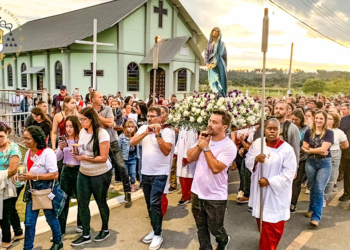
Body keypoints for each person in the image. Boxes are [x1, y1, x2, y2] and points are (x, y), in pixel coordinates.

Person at [187, 110, 236, 250]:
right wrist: (200, 144)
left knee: (215, 228)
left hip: (215, 195)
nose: (210, 124)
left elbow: (216, 168)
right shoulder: (203, 141)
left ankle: (223, 240)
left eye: (215, 122)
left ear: (224, 127)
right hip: (197, 191)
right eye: (210, 121)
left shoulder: (229, 146)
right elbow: (190, 158)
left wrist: (206, 148)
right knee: (201, 227)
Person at [246, 118, 297, 250]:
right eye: (269, 128)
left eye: (275, 129)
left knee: (272, 226)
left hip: (275, 195)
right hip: (259, 192)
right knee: (262, 222)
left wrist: (269, 181)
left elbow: (289, 173)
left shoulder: (287, 149)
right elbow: (248, 159)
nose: (272, 132)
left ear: (279, 130)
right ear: (265, 129)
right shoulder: (258, 143)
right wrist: (255, 160)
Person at [130, 107, 175, 250]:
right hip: (146, 172)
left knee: (155, 203)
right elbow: (132, 142)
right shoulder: (143, 128)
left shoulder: (168, 131)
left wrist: (157, 134)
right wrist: (145, 133)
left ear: (160, 117)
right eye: (148, 116)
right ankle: (154, 229)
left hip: (160, 172)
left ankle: (158, 234)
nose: (149, 118)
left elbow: (167, 151)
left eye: (152, 116)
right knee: (149, 204)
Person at [71, 108, 113, 246]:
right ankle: (86, 234)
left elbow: (103, 158)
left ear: (92, 119)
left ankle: (105, 229)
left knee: (101, 201)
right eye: (80, 119)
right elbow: (83, 149)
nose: (81, 122)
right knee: (82, 203)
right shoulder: (83, 132)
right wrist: (77, 152)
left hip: (100, 173)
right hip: (84, 172)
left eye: (84, 119)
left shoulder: (102, 134)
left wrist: (84, 157)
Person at [19, 126, 64, 250]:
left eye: (28, 139)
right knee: (29, 222)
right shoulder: (28, 152)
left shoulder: (47, 153)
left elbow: (55, 174)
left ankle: (58, 241)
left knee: (51, 218)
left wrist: (35, 175)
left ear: (36, 139)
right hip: (32, 190)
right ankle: (27, 247)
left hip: (47, 189)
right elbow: (28, 172)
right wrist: (23, 177)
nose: (25, 141)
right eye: (24, 138)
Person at [91, 91, 132, 206]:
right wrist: (103, 123)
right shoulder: (89, 110)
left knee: (121, 165)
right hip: (98, 143)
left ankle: (127, 191)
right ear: (93, 99)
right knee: (103, 169)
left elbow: (109, 124)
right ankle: (104, 194)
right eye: (99, 97)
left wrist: (97, 116)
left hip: (112, 142)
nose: (102, 98)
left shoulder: (108, 109)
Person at [302, 111, 334, 226]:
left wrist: (310, 150)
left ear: (325, 120)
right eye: (317, 118)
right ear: (314, 119)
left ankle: (316, 217)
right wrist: (314, 149)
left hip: (324, 163)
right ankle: (311, 209)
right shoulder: (308, 132)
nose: (319, 120)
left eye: (321, 118)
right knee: (312, 187)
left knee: (319, 188)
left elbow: (324, 150)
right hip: (310, 162)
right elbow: (304, 145)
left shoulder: (329, 133)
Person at [57, 116, 83, 237]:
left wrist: (79, 153)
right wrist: (61, 149)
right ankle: (61, 229)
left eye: (71, 126)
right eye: (66, 126)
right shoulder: (64, 140)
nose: (68, 129)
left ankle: (81, 224)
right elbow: (57, 158)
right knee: (63, 199)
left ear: (76, 126)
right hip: (66, 170)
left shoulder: (81, 139)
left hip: (79, 170)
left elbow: (85, 155)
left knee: (81, 198)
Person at [0, 123, 23, 250]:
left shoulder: (13, 148)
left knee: (4, 211)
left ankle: (6, 240)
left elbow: (13, 170)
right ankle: (18, 232)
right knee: (10, 209)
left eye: (1, 136)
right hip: (0, 184)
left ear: (7, 134)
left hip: (13, 184)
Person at [324, 113, 348, 203]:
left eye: (330, 119)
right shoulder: (320, 130)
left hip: (334, 154)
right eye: (326, 118)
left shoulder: (338, 132)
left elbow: (345, 145)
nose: (327, 121)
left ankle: (324, 198)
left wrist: (336, 148)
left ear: (335, 121)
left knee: (330, 177)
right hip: (321, 155)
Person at [290, 109, 310, 213]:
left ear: (301, 119)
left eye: (296, 120)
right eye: (292, 119)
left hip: (302, 158)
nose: (293, 121)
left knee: (296, 181)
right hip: (289, 157)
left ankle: (293, 203)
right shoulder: (289, 127)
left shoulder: (306, 129)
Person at [174, 128, 198, 205]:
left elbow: (191, 143)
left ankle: (187, 195)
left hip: (187, 155)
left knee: (187, 175)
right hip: (181, 153)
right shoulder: (183, 127)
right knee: (181, 176)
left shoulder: (191, 129)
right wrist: (176, 152)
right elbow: (179, 141)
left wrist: (186, 157)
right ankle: (184, 193)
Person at [205, 27, 227, 97]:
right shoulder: (208, 45)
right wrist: (207, 63)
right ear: (212, 32)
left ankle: (221, 95)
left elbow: (223, 55)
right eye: (214, 30)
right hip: (211, 66)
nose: (215, 32)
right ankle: (214, 94)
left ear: (219, 34)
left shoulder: (221, 44)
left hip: (220, 64)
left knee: (220, 80)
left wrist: (216, 62)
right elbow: (206, 55)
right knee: (213, 81)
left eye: (217, 31)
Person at [118, 120, 139, 192]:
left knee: (133, 173)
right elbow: (118, 147)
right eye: (129, 127)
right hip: (125, 158)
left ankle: (132, 184)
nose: (130, 129)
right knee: (125, 174)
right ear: (125, 128)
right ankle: (126, 186)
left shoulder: (136, 136)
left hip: (133, 157)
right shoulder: (121, 137)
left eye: (132, 127)